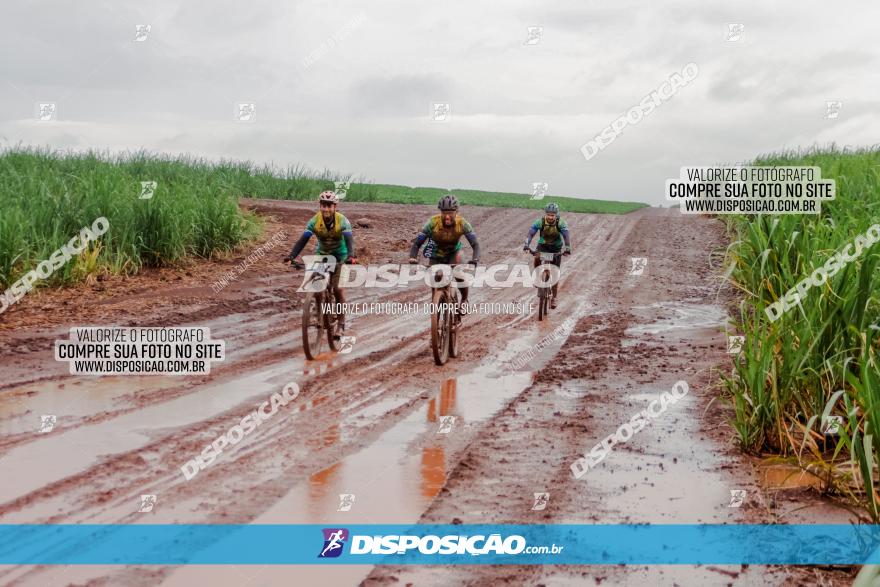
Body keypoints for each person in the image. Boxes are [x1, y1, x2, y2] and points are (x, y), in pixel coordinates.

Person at [283, 190, 357, 335]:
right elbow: (303, 240)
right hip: (322, 255)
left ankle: (341, 324)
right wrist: (291, 256)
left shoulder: (343, 221)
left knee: (338, 289)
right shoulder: (314, 221)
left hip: (341, 256)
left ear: (335, 206)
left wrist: (351, 256)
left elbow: (349, 240)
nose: (326, 209)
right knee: (316, 285)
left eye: (329, 206)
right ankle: (319, 311)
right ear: (320, 205)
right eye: (323, 205)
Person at [409, 194, 480, 309]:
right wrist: (413, 257)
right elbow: (417, 243)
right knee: (435, 278)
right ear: (440, 213)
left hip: (454, 252)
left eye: (450, 213)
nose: (447, 217)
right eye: (444, 213)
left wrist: (475, 259)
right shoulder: (432, 223)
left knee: (458, 274)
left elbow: (475, 244)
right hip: (436, 253)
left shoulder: (462, 223)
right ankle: (436, 303)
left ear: (456, 212)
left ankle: (464, 300)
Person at [522, 202, 571, 309]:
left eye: (552, 215)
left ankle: (554, 297)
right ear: (545, 214)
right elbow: (530, 233)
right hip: (543, 245)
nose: (550, 217)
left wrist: (568, 248)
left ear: (556, 215)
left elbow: (566, 236)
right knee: (537, 257)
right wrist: (526, 245)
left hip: (556, 248)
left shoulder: (561, 223)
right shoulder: (540, 222)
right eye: (548, 214)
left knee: (555, 273)